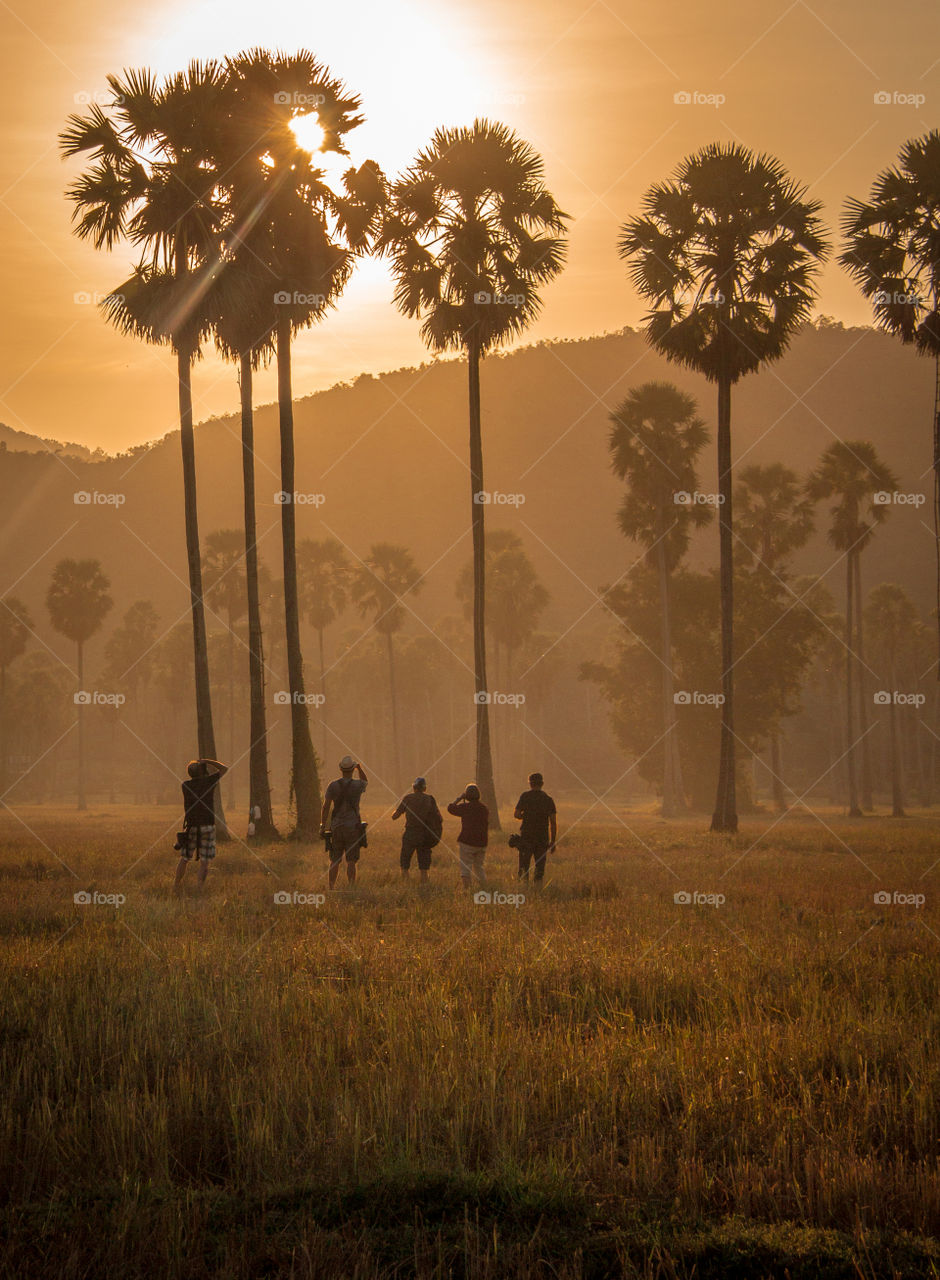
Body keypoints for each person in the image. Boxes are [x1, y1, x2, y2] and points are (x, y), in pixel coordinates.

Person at [174, 757, 228, 893]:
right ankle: (199, 888)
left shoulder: (185, 785)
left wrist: (200, 767)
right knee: (205, 861)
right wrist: (208, 761)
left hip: (191, 826)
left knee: (185, 858)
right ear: (202, 772)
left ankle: (176, 885)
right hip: (208, 826)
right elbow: (224, 769)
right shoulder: (208, 782)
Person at [321, 755, 368, 888]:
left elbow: (325, 807)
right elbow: (365, 781)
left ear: (341, 769)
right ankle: (351, 886)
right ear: (352, 769)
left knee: (334, 860)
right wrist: (360, 768)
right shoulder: (357, 785)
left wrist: (323, 826)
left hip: (336, 827)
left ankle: (331, 887)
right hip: (353, 827)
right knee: (351, 861)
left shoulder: (333, 785)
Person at [392, 777, 443, 882]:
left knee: (405, 862)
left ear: (413, 787)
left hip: (410, 833)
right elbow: (439, 818)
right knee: (424, 865)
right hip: (425, 835)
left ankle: (406, 883)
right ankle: (424, 883)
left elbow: (395, 816)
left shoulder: (408, 798)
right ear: (424, 788)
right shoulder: (430, 799)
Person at [513, 772, 557, 885]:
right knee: (540, 867)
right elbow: (553, 822)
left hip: (526, 836)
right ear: (542, 784)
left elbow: (517, 814)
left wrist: (526, 816)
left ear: (530, 784)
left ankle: (523, 887)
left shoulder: (525, 796)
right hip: (542, 837)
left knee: (523, 866)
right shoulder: (548, 799)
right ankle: (537, 888)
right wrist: (552, 841)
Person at [447, 783, 488, 890]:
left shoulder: (465, 807)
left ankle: (467, 890)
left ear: (467, 795)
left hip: (467, 841)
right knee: (479, 867)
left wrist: (460, 798)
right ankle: (484, 887)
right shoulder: (484, 808)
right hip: (482, 842)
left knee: (466, 867)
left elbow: (450, 808)